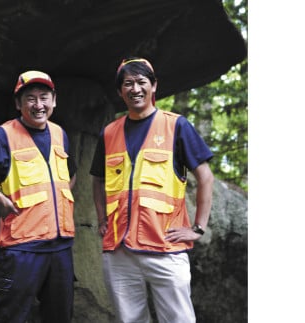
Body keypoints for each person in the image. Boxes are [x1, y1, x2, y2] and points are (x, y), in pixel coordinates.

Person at [90, 57, 214, 323]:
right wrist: (102, 218)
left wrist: (198, 228)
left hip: (165, 246)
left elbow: (206, 178)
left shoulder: (176, 125)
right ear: (119, 91)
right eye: (128, 83)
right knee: (129, 320)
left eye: (141, 82)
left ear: (154, 86)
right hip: (119, 250)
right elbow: (98, 180)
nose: (135, 89)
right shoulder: (109, 133)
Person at [0, 70, 77, 323]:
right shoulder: (2, 136)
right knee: (8, 317)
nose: (38, 105)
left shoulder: (59, 134)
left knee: (60, 317)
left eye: (44, 97)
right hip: (21, 248)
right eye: (30, 98)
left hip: (60, 248)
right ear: (18, 104)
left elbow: (70, 175)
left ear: (54, 100)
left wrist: (58, 203)